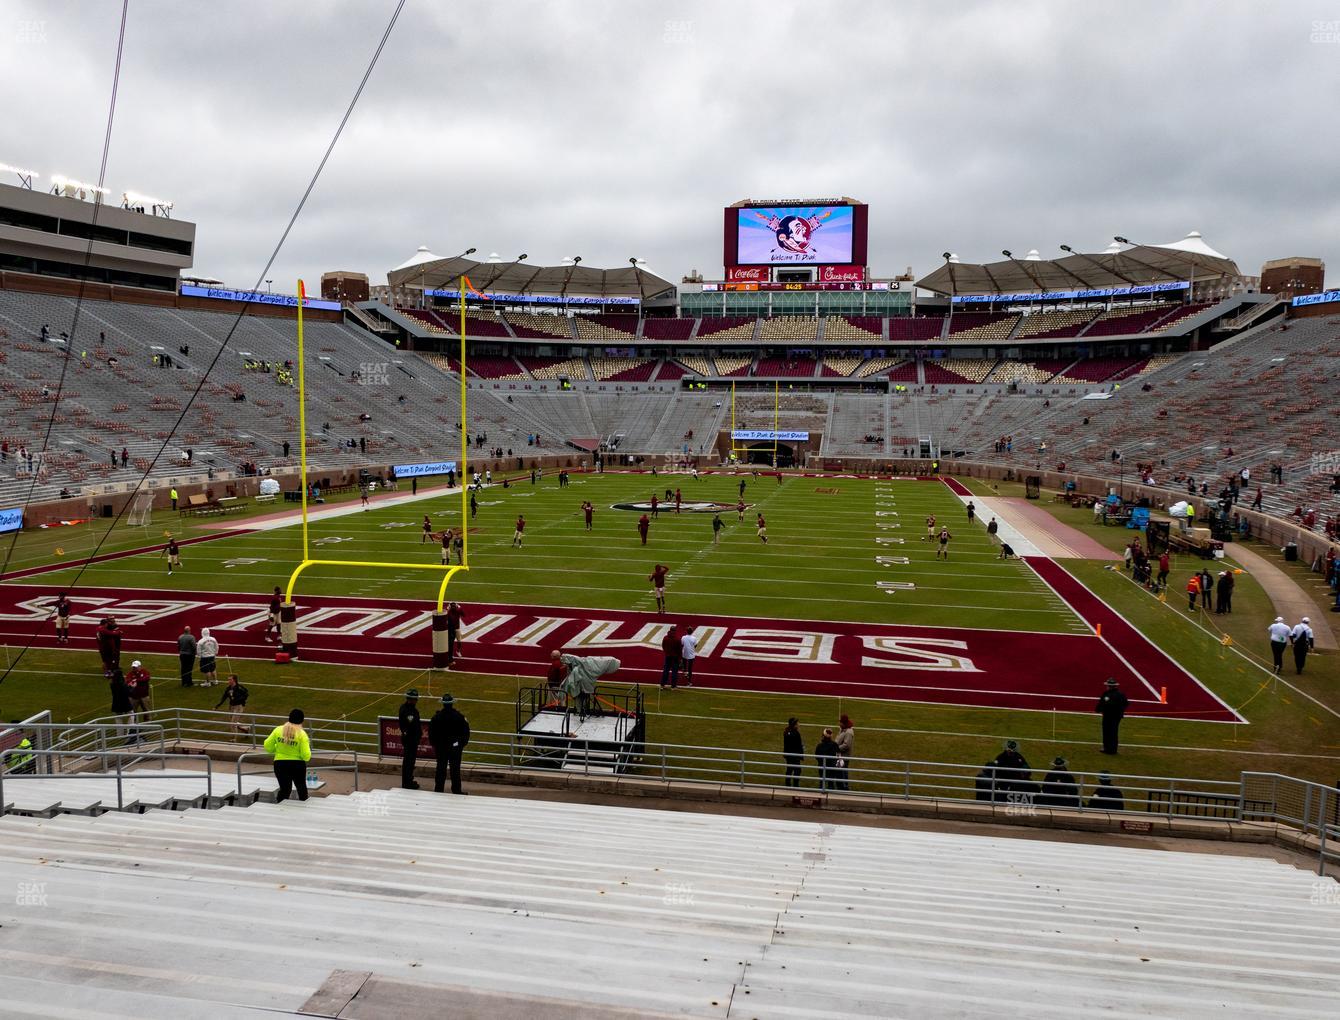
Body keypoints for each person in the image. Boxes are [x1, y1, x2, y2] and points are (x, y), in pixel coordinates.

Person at [264, 709, 311, 802]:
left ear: (289, 718)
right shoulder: (302, 734)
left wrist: (277, 748)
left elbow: (267, 746)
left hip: (280, 764)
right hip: (297, 765)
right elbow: (306, 756)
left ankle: (280, 808)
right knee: (301, 789)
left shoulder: (278, 730)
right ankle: (304, 811)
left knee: (285, 790)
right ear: (302, 720)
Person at [429, 693, 470, 794]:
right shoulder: (459, 717)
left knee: (440, 769)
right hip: (454, 748)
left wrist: (436, 745)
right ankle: (456, 790)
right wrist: (460, 745)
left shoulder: (436, 717)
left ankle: (438, 789)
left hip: (441, 748)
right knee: (455, 770)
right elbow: (466, 732)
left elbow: (431, 733)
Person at [1095, 677, 1129, 754]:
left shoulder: (1107, 694)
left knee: (1107, 732)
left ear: (1109, 686)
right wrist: (1120, 710)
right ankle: (1113, 749)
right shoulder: (1121, 694)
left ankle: (1107, 748)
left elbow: (1102, 704)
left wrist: (1098, 710)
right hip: (1117, 716)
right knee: (1114, 732)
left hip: (1108, 716)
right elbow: (1126, 704)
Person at [397, 689, 423, 789]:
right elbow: (412, 726)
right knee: (409, 762)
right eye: (414, 699)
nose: (416, 701)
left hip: (411, 739)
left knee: (410, 761)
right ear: (410, 699)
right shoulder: (408, 711)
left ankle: (408, 780)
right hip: (410, 740)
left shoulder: (408, 709)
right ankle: (407, 782)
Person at [109, 669, 133, 743]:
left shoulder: (112, 684)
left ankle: (120, 735)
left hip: (116, 704)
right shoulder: (123, 684)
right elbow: (128, 693)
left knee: (118, 719)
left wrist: (127, 686)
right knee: (131, 715)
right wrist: (132, 687)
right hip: (125, 703)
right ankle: (130, 732)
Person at [815, 727, 840, 792]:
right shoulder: (834, 744)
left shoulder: (819, 745)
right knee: (831, 782)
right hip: (831, 766)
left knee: (822, 782)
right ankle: (831, 793)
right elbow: (838, 754)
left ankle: (821, 792)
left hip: (822, 765)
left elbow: (816, 756)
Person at [835, 715, 855, 791]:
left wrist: (836, 748)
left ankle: (845, 787)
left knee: (843, 771)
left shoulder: (848, 732)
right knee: (839, 770)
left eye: (840, 722)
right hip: (839, 755)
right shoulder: (842, 729)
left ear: (843, 723)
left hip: (844, 755)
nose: (839, 723)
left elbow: (846, 745)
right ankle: (840, 786)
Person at [782, 718, 804, 787]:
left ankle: (788, 784)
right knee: (797, 770)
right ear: (794, 725)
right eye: (797, 723)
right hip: (794, 755)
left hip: (789, 754)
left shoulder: (787, 731)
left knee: (790, 769)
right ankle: (795, 785)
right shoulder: (795, 733)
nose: (798, 724)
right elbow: (797, 744)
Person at [659, 624, 681, 689]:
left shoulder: (665, 638)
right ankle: (673, 686)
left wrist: (666, 652)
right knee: (674, 672)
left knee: (666, 670)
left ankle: (662, 685)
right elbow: (679, 650)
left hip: (668, 656)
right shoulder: (677, 639)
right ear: (675, 631)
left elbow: (663, 646)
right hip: (675, 657)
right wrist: (680, 659)